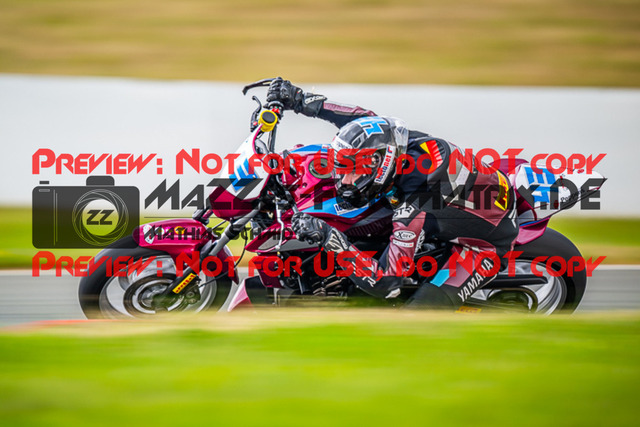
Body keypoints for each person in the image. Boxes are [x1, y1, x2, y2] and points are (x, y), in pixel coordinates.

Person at [267, 78, 519, 308]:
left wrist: (328, 236)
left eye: (354, 171)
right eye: (342, 170)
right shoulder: (395, 142)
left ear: (383, 163)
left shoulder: (415, 204)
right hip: (468, 196)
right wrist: (300, 100)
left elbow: (387, 282)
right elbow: (364, 123)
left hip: (481, 247)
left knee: (416, 317)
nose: (344, 181)